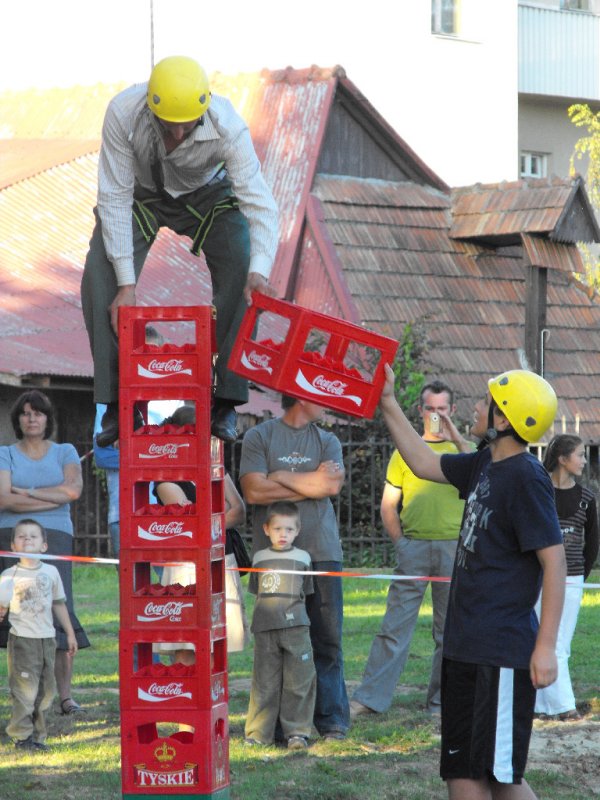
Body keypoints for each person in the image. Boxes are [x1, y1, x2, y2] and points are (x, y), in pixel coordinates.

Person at [379, 365, 566, 799]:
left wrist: (545, 647)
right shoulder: (486, 463)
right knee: (464, 772)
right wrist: (387, 402)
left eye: (487, 402)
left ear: (502, 421)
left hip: (498, 654)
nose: (477, 406)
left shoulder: (526, 478)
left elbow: (554, 564)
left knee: (496, 776)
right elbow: (424, 462)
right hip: (466, 647)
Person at [81, 55, 279, 448]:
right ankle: (117, 402)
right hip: (141, 196)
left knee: (243, 269)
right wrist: (127, 283)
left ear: (203, 110)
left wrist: (261, 268)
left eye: (186, 125)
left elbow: (259, 203)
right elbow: (115, 195)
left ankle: (225, 400)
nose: (176, 133)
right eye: (167, 125)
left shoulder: (229, 128)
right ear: (151, 107)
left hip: (207, 196)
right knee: (99, 278)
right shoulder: (123, 112)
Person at [351, 380, 473, 721]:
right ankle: (370, 699)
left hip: (456, 551)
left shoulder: (467, 450)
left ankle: (441, 703)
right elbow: (388, 505)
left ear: (452, 411)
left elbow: (482, 475)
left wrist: (454, 434)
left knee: (450, 631)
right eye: (430, 409)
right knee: (394, 627)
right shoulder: (404, 450)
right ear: (419, 411)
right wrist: (402, 544)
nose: (436, 415)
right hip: (414, 549)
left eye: (442, 409)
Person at [239, 395, 349, 740]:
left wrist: (282, 475)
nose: (328, 405)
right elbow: (254, 492)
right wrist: (309, 483)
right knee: (275, 643)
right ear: (302, 398)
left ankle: (331, 721)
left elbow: (331, 485)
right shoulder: (260, 437)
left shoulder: (328, 440)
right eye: (321, 398)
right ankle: (275, 726)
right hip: (274, 558)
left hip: (322, 552)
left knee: (326, 639)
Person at [0, 390, 90, 716]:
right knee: (18, 616)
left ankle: (65, 697)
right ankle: (26, 697)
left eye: (37, 413)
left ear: (47, 418)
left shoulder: (65, 450)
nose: (32, 418)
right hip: (13, 536)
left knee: (57, 608)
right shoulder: (5, 453)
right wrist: (52, 497)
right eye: (25, 413)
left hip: (56, 535)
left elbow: (74, 491)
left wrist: (25, 492)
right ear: (17, 420)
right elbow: (4, 500)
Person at [153, 405, 250, 659]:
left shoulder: (215, 466)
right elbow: (188, 525)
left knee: (219, 643)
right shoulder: (168, 477)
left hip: (222, 558)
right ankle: (188, 695)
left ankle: (212, 698)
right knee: (187, 644)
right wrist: (217, 519)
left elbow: (239, 510)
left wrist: (206, 522)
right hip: (187, 565)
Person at [534, 434, 599, 722]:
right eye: (580, 455)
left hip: (571, 579)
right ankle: (558, 706)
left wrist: (577, 578)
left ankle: (552, 705)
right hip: (537, 578)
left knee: (561, 643)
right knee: (542, 640)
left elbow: (593, 544)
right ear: (563, 459)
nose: (584, 461)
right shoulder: (538, 491)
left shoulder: (586, 499)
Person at [0, 520, 78, 750]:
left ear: (44, 546)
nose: (27, 539)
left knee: (45, 691)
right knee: (24, 690)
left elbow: (60, 605)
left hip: (48, 639)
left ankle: (38, 736)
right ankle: (21, 736)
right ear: (13, 545)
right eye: (21, 536)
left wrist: (71, 634)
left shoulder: (51, 571)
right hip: (22, 640)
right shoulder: (9, 575)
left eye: (33, 536)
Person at [244, 500, 316, 749]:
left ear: (297, 530)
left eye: (288, 529)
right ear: (266, 529)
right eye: (277, 529)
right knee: (264, 682)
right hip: (265, 629)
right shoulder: (259, 558)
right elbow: (256, 590)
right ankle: (257, 734)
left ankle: (297, 733)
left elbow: (306, 591)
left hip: (296, 629)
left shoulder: (304, 558)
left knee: (299, 680)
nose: (283, 534)